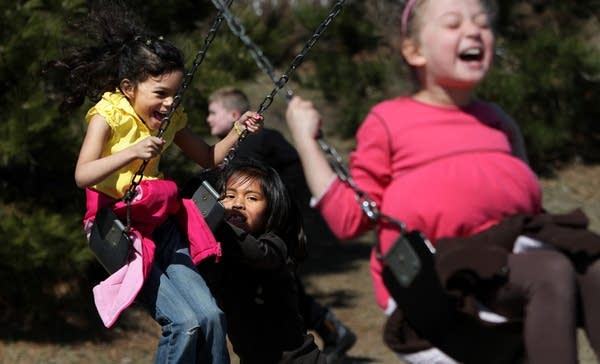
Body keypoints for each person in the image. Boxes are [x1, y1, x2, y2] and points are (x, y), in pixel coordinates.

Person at [284, 0, 600, 363]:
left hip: (502, 272)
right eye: (453, 24)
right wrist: (307, 141)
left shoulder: (495, 120)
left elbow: (527, 211)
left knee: (591, 264)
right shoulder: (390, 119)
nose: (474, 31)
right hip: (432, 289)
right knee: (549, 270)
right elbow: (349, 218)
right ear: (414, 51)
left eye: (482, 23)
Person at [44, 2, 262, 363]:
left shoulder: (171, 119)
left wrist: (238, 130)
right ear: (129, 87)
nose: (169, 103)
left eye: (174, 94)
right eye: (160, 93)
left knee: (211, 316)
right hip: (119, 228)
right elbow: (83, 175)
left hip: (161, 226)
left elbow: (208, 158)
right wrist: (131, 151)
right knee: (184, 323)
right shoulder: (108, 114)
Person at [205, 86, 357, 363]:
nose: (208, 120)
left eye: (213, 112)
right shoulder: (230, 158)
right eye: (229, 195)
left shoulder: (252, 148)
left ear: (235, 114)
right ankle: (333, 328)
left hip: (279, 227)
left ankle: (332, 328)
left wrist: (219, 220)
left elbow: (285, 182)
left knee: (282, 286)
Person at [207, 157, 328, 364]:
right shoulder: (221, 255)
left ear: (271, 210)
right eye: (228, 195)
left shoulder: (275, 246)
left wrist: (214, 218)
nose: (237, 204)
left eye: (252, 198)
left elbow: (257, 254)